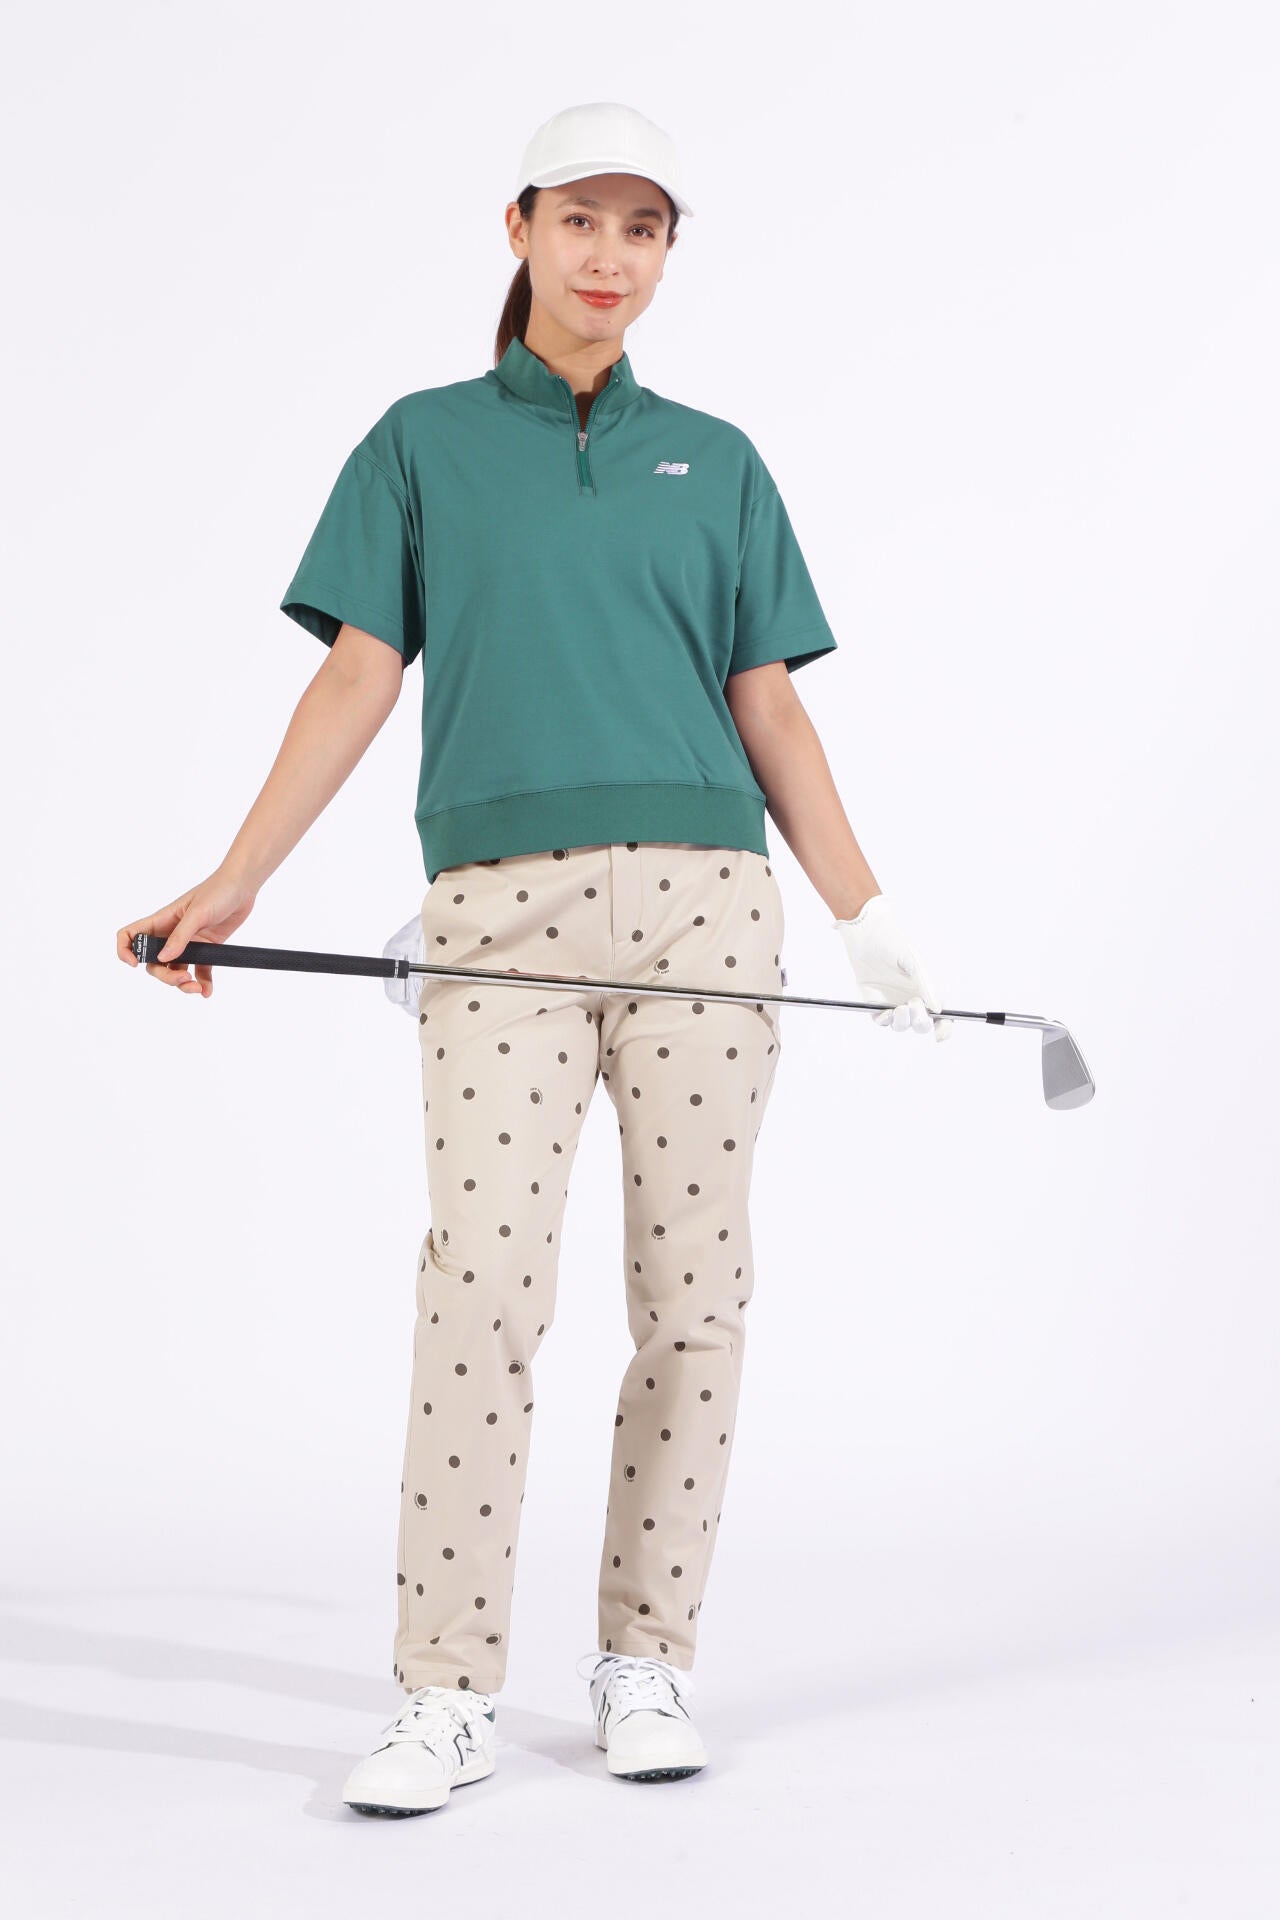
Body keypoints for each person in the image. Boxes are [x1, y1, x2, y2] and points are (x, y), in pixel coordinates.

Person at [116, 100, 951, 1818]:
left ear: (667, 253)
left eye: (644, 229)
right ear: (519, 228)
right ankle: (445, 1690)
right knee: (482, 1292)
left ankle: (648, 1661)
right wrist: (238, 879)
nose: (609, 257)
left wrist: (866, 917)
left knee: (695, 1299)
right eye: (582, 219)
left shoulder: (717, 459)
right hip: (498, 920)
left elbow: (768, 703)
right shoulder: (421, 443)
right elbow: (357, 673)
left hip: (710, 916)